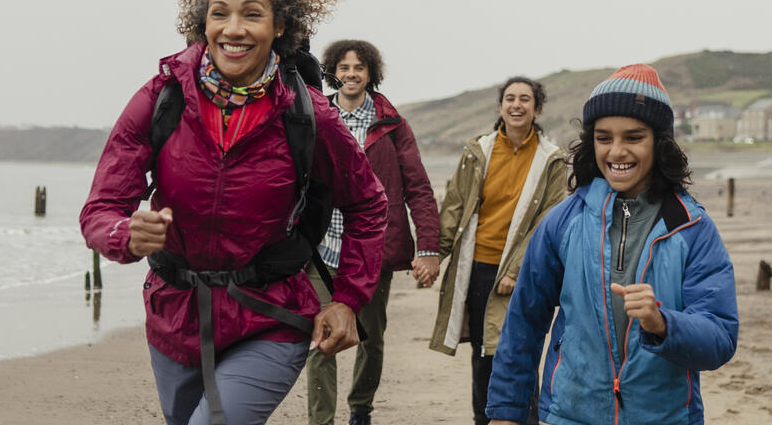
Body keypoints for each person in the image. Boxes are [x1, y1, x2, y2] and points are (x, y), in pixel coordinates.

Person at [79, 0, 389, 425]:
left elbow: (369, 205)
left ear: (279, 26)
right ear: (202, 21)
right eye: (219, 13)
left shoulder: (309, 116)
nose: (234, 29)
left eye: (252, 14)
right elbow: (100, 208)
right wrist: (125, 234)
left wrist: (348, 299)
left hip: (271, 315)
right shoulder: (162, 99)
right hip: (174, 315)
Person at [486, 64, 739, 425]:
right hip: (570, 414)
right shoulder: (563, 221)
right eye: (604, 138)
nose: (617, 151)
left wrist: (662, 322)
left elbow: (720, 338)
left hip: (665, 417)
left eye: (633, 137)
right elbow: (524, 323)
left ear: (659, 142)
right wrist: (506, 413)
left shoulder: (692, 227)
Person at [303, 39, 440, 425]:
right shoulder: (316, 114)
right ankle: (322, 420)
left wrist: (429, 246)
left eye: (358, 68)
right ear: (333, 71)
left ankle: (360, 408)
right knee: (320, 338)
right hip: (321, 248)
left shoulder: (393, 125)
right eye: (343, 67)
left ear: (370, 74)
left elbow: (418, 188)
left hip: (371, 250)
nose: (350, 74)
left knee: (371, 338)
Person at [428, 76, 573, 425]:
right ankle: (485, 420)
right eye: (510, 98)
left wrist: (517, 269)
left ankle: (530, 420)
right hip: (478, 268)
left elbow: (548, 220)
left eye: (525, 99)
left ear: (537, 109)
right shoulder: (479, 150)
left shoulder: (552, 159)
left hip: (525, 274)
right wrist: (434, 253)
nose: (516, 105)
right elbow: (455, 206)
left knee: (520, 352)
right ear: (500, 107)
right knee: (483, 356)